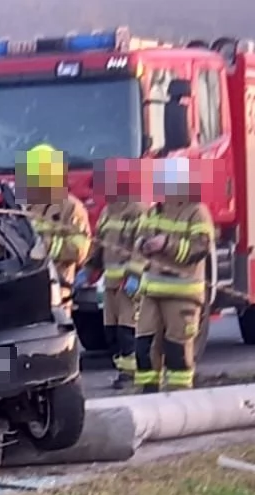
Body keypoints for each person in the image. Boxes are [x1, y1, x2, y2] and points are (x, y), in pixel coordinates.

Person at [125, 157, 214, 393]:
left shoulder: (197, 212)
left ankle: (181, 400)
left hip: (182, 293)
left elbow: (200, 248)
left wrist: (167, 244)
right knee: (143, 346)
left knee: (176, 351)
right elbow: (139, 242)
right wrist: (144, 246)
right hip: (151, 291)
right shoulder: (155, 211)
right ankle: (148, 396)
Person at [77, 158, 151, 390]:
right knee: (112, 332)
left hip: (129, 283)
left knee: (128, 330)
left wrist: (134, 276)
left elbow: (142, 248)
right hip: (110, 283)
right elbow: (99, 245)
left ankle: (135, 374)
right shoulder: (108, 212)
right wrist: (88, 269)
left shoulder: (138, 211)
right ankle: (123, 371)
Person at [20, 144, 92, 307]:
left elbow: (80, 250)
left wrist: (46, 247)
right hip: (24, 288)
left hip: (56, 291)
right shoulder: (26, 206)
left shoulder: (71, 208)